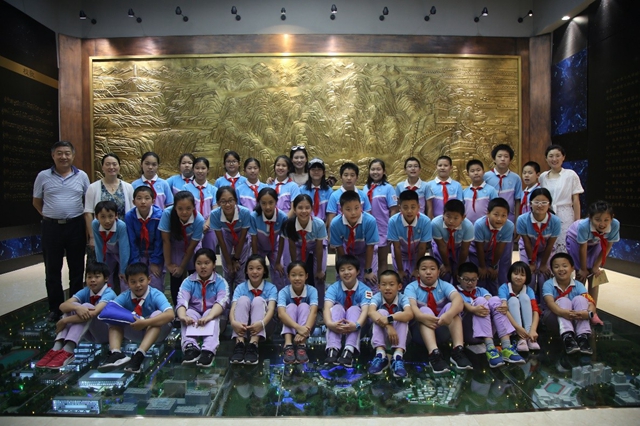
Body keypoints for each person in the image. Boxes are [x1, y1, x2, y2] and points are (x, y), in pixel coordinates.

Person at [33, 141, 90, 322]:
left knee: (77, 268)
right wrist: (51, 215)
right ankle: (55, 308)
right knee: (52, 269)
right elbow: (36, 201)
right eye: (59, 153)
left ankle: (75, 305)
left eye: (67, 153)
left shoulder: (82, 176)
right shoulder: (43, 176)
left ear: (73, 156)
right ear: (53, 155)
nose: (63, 157)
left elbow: (87, 201)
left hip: (76, 225)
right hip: (51, 228)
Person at [35, 262, 116, 369]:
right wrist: (76, 308)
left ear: (106, 278)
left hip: (106, 334)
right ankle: (56, 348)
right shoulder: (86, 291)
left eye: (97, 277)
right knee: (74, 306)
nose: (92, 280)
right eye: (89, 277)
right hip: (88, 334)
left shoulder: (109, 293)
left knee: (87, 306)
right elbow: (63, 306)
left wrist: (64, 320)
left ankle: (68, 350)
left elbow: (93, 313)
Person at [98, 262, 174, 373]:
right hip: (134, 331)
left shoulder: (156, 294)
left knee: (157, 314)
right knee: (114, 319)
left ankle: (139, 355)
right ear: (127, 283)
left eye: (141, 280)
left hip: (156, 333)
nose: (138, 285)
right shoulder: (125, 295)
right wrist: (131, 317)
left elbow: (170, 314)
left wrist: (145, 322)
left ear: (149, 280)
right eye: (133, 282)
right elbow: (109, 310)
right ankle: (116, 353)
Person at [405, 255, 472, 374]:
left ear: (438, 272)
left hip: (441, 328)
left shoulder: (445, 285)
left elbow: (459, 301)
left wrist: (449, 314)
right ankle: (434, 354)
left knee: (452, 307)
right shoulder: (411, 287)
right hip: (420, 332)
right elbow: (411, 307)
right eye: (424, 269)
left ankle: (458, 350)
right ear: (418, 272)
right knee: (424, 310)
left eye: (432, 269)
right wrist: (421, 317)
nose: (428, 272)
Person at [456, 262, 524, 368]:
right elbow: (460, 305)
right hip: (467, 332)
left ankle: (506, 346)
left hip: (487, 332)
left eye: (473, 280)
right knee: (480, 301)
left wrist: (517, 327)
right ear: (458, 278)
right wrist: (473, 309)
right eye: (466, 279)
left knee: (495, 300)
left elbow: (495, 304)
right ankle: (490, 349)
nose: (470, 283)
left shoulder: (481, 290)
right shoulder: (454, 292)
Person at [176, 248, 229, 368]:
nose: (203, 267)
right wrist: (183, 316)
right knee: (188, 312)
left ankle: (208, 351)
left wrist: (209, 316)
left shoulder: (221, 282)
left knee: (211, 312)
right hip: (195, 318)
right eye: (199, 263)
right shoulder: (188, 281)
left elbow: (222, 302)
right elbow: (182, 300)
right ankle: (190, 348)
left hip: (216, 318)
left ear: (214, 264)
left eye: (207, 263)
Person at [566, 200, 620, 318]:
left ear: (612, 218)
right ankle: (577, 308)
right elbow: (583, 248)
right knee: (581, 275)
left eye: (606, 220)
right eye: (597, 220)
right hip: (576, 240)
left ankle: (593, 311)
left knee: (594, 274)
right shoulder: (584, 226)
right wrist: (583, 268)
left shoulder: (615, 224)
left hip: (595, 242)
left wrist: (596, 266)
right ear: (590, 218)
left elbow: (608, 246)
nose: (602, 224)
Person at [323, 255, 372, 367]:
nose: (346, 272)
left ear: (358, 271)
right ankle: (332, 350)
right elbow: (326, 308)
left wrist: (356, 325)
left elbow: (365, 312)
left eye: (350, 269)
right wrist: (330, 324)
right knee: (337, 308)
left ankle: (349, 351)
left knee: (354, 309)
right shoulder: (333, 288)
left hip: (358, 327)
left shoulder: (365, 290)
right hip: (336, 326)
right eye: (342, 270)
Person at [542, 253, 595, 355]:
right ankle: (567, 337)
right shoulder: (548, 284)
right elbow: (550, 303)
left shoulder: (578, 285)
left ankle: (582, 337)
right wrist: (563, 313)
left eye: (565, 266)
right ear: (552, 270)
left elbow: (590, 303)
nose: (561, 269)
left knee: (580, 299)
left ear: (572, 268)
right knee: (563, 300)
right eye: (556, 267)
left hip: (576, 318)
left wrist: (588, 314)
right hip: (554, 318)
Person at [229, 255, 277, 365]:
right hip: (243, 327)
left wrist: (262, 323)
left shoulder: (271, 288)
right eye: (251, 268)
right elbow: (233, 308)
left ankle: (253, 344)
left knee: (258, 300)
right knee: (243, 299)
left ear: (264, 271)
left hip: (264, 326)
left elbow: (271, 309)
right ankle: (239, 344)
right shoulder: (240, 288)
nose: (254, 272)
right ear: (246, 271)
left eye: (259, 268)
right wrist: (233, 323)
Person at [159, 191, 205, 306]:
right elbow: (166, 241)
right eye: (180, 209)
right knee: (176, 274)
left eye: (188, 208)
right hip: (174, 246)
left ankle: (195, 306)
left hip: (191, 247)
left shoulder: (199, 220)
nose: (184, 212)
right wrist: (169, 264)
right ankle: (178, 308)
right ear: (175, 207)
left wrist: (182, 266)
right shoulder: (167, 214)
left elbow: (191, 247)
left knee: (194, 273)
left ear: (194, 207)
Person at [329, 190, 380, 289]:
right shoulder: (335, 223)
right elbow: (339, 248)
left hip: (366, 254)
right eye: (348, 209)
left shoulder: (370, 221)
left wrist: (368, 270)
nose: (353, 213)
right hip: (347, 253)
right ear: (341, 210)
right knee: (345, 282)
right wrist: (346, 267)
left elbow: (370, 247)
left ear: (361, 207)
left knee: (370, 282)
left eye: (356, 208)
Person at [84, 153, 135, 252]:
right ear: (102, 167)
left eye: (114, 164)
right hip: (100, 235)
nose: (111, 167)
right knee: (101, 260)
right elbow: (88, 213)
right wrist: (92, 236)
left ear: (119, 167)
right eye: (107, 164)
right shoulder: (93, 187)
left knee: (123, 259)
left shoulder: (128, 187)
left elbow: (133, 212)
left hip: (123, 234)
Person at [367, 270, 413, 378]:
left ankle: (397, 357)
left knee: (401, 315)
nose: (387, 288)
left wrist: (390, 318)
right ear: (379, 287)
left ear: (399, 286)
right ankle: (380, 355)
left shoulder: (403, 298)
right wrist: (388, 326)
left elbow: (409, 314)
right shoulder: (377, 297)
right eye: (384, 284)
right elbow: (371, 312)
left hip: (400, 337)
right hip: (380, 335)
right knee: (381, 312)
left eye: (391, 284)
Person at [283, 194, 328, 305]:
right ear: (294, 209)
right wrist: (294, 266)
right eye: (300, 208)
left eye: (307, 208)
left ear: (312, 209)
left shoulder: (319, 224)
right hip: (298, 246)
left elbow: (319, 248)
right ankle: (296, 302)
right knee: (296, 273)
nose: (304, 211)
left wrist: (319, 270)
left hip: (316, 247)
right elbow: (292, 246)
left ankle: (319, 305)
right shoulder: (289, 224)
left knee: (319, 275)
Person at [539, 144, 584, 253]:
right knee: (548, 246)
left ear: (563, 157)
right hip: (547, 214)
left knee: (565, 245)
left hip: (565, 214)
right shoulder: (542, 177)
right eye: (551, 156)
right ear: (546, 159)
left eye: (557, 155)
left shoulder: (570, 175)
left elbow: (576, 200)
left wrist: (577, 223)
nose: (554, 159)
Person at [516, 188, 561, 295]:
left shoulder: (555, 221)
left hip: (546, 250)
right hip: (528, 249)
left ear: (549, 204)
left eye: (544, 202)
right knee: (529, 275)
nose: (540, 205)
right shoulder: (522, 219)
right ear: (530, 204)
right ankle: (530, 301)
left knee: (544, 276)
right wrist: (531, 263)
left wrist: (544, 264)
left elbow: (550, 245)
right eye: (536, 202)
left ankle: (544, 302)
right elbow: (527, 242)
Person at [470, 197, 514, 295]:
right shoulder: (479, 224)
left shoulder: (509, 226)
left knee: (493, 277)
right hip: (476, 253)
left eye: (503, 215)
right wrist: (482, 267)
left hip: (493, 253)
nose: (499, 219)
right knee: (480, 277)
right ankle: (479, 298)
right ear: (488, 213)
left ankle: (495, 299)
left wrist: (493, 266)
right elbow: (479, 247)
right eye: (496, 214)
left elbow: (500, 248)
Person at [387, 190, 432, 285]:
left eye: (413, 207)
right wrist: (400, 270)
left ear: (419, 207)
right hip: (400, 254)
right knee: (400, 281)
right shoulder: (393, 221)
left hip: (417, 254)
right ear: (399, 208)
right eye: (405, 207)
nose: (409, 211)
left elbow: (422, 248)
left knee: (416, 281)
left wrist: (416, 269)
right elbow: (396, 247)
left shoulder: (425, 221)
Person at [210, 187, 252, 288]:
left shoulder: (245, 212)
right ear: (218, 203)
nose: (227, 205)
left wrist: (236, 259)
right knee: (228, 273)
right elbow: (221, 241)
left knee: (240, 274)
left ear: (236, 201)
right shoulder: (215, 214)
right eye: (223, 201)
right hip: (226, 237)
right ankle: (227, 297)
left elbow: (243, 237)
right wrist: (229, 262)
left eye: (230, 200)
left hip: (242, 239)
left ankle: (240, 296)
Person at [125, 186, 165, 292]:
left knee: (155, 282)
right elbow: (131, 241)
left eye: (147, 198)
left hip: (155, 254)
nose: (143, 202)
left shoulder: (159, 216)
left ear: (153, 201)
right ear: (133, 202)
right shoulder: (129, 217)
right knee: (135, 281)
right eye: (139, 198)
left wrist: (155, 262)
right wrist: (135, 262)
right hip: (138, 254)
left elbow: (159, 241)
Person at [278, 261, 318, 364]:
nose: (297, 278)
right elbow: (281, 314)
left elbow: (313, 312)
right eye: (293, 275)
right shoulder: (283, 292)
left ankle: (302, 345)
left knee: (304, 306)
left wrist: (304, 330)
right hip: (289, 327)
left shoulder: (312, 290)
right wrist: (298, 328)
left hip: (307, 328)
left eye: (301, 275)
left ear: (306, 276)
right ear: (288, 276)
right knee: (291, 306)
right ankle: (288, 344)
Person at [363, 159, 398, 273]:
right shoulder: (366, 188)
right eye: (373, 169)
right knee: (369, 260)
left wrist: (391, 230)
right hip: (368, 229)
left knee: (382, 261)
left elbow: (393, 210)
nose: (375, 172)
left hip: (383, 229)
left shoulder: (388, 188)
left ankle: (383, 282)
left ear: (384, 171)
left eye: (378, 169)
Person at [250, 188, 288, 289]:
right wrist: (255, 259)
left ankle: (278, 295)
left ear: (276, 201)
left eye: (271, 203)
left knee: (279, 271)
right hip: (258, 247)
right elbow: (254, 239)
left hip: (274, 247)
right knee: (256, 271)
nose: (267, 207)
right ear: (259, 203)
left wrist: (278, 261)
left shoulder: (282, 217)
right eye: (263, 203)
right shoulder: (254, 217)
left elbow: (282, 239)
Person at [498, 261, 541, 352]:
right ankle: (520, 338)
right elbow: (504, 309)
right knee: (513, 300)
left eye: (522, 275)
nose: (518, 277)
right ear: (510, 274)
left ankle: (530, 337)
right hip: (511, 324)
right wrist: (518, 328)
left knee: (524, 297)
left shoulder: (529, 290)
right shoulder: (503, 288)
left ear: (527, 277)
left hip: (527, 327)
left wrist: (533, 330)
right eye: (516, 274)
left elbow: (535, 310)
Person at [431, 199, 473, 283]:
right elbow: (442, 246)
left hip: (458, 248)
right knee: (444, 274)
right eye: (448, 216)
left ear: (463, 217)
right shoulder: (435, 224)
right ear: (443, 214)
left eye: (456, 218)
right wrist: (446, 265)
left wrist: (459, 268)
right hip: (440, 249)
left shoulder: (468, 226)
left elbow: (464, 249)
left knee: (459, 275)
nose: (451, 221)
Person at [92, 201, 130, 292]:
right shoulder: (95, 224)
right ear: (96, 217)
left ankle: (125, 298)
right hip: (107, 253)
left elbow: (124, 249)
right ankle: (108, 297)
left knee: (124, 278)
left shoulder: (121, 226)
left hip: (120, 253)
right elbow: (99, 246)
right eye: (103, 217)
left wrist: (123, 270)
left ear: (116, 215)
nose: (107, 221)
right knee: (106, 277)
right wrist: (101, 268)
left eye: (110, 216)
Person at [483, 144, 523, 225]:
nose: (502, 159)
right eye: (499, 156)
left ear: (510, 160)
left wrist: (516, 221)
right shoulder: (485, 177)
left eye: (506, 156)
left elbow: (517, 201)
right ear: (494, 159)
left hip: (509, 219)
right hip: (490, 219)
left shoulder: (516, 178)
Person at [186, 157, 218, 251]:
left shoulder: (213, 190)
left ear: (208, 170)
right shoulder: (186, 188)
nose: (200, 171)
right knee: (193, 253)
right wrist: (198, 224)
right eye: (197, 168)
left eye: (203, 168)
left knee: (210, 253)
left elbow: (215, 209)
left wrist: (207, 224)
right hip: (192, 226)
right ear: (193, 169)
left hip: (209, 227)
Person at [463, 159, 498, 225]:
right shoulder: (464, 192)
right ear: (467, 174)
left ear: (483, 172)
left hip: (485, 225)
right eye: (472, 171)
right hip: (468, 226)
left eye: (478, 170)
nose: (476, 173)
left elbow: (496, 209)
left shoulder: (491, 190)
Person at [299, 158, 333, 222]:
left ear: (324, 172)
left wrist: (325, 226)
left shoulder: (329, 191)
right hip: (306, 223)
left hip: (323, 224)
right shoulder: (301, 190)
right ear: (308, 172)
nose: (316, 172)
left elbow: (330, 213)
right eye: (313, 169)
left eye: (319, 169)